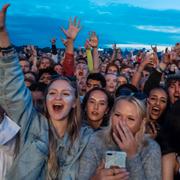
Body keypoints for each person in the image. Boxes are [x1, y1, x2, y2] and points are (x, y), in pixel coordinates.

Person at [0, 4, 92, 179]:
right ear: (46, 99)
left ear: (75, 103)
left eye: (65, 94)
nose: (58, 97)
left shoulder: (86, 139)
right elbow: (13, 90)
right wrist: (3, 34)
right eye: (52, 93)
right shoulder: (32, 124)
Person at [79, 96, 161, 180]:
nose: (122, 123)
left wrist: (132, 156)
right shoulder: (96, 139)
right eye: (117, 115)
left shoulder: (150, 148)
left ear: (142, 122)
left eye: (130, 119)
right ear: (111, 116)